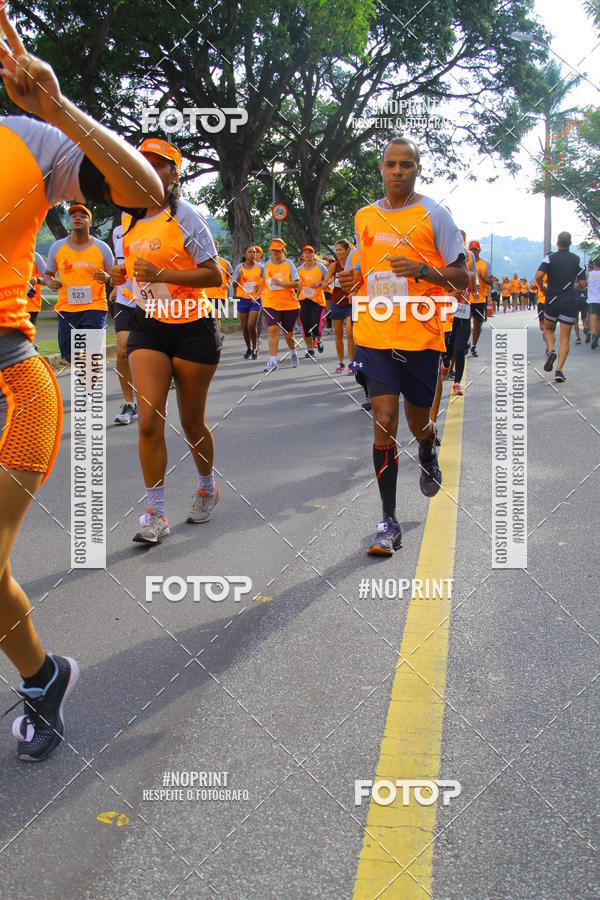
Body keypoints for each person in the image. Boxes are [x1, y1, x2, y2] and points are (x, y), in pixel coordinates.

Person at [0, 7, 163, 761]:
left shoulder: (28, 141)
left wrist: (59, 109)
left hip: (13, 383)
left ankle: (41, 679)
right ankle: (43, 675)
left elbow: (146, 193)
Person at [339, 137, 468, 556]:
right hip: (376, 336)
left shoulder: (435, 214)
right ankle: (388, 520)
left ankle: (428, 448)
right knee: (383, 417)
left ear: (417, 169)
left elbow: (462, 279)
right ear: (381, 168)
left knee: (417, 423)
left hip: (421, 338)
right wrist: (346, 281)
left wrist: (422, 270)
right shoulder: (364, 216)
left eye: (406, 165)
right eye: (391, 164)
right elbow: (362, 272)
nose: (398, 171)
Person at [111, 137, 222, 543]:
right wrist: (120, 278)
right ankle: (156, 514)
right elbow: (130, 271)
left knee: (191, 422)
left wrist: (163, 275)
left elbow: (215, 276)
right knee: (147, 420)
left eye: (160, 165)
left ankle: (207, 486)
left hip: (193, 327)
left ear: (174, 174)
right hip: (149, 326)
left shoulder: (186, 216)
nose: (150, 170)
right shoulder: (125, 221)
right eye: (143, 163)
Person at [45, 204, 114, 364]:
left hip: (94, 307)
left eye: (83, 216)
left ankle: (90, 386)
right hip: (66, 307)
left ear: (90, 222)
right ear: (69, 221)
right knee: (69, 355)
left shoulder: (102, 247)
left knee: (91, 353)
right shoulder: (57, 247)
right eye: (73, 215)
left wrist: (108, 278)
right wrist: (51, 282)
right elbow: (48, 274)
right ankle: (87, 375)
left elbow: (115, 276)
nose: (77, 218)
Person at [537, 231, 587, 382]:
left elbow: (538, 276)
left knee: (548, 329)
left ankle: (551, 350)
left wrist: (544, 289)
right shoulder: (576, 259)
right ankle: (559, 371)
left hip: (552, 299)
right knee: (565, 337)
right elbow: (583, 284)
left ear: (557, 243)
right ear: (570, 244)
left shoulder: (549, 258)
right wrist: (574, 285)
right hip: (569, 301)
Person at [441, 236, 476, 397]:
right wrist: (453, 294)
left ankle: (457, 383)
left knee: (460, 349)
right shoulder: (444, 273)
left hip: (463, 315)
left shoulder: (470, 275)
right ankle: (446, 363)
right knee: (446, 351)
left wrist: (470, 289)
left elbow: (473, 289)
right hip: (446, 316)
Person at [110, 221, 138, 424]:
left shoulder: (154, 223)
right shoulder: (117, 232)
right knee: (122, 350)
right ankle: (130, 404)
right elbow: (119, 263)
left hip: (153, 299)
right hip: (125, 299)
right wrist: (116, 284)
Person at [260, 238, 300, 374]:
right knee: (272, 329)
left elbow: (297, 284)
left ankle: (293, 352)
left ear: (283, 251)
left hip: (289, 303)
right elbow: (264, 282)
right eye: (273, 250)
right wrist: (257, 293)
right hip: (270, 302)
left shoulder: (289, 264)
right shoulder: (267, 265)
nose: (276, 253)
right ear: (270, 251)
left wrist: (281, 283)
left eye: (278, 250)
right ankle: (273, 360)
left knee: (288, 334)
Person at [323, 240, 355, 374]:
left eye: (340, 249)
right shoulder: (333, 266)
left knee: (350, 332)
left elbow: (360, 282)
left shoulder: (353, 265)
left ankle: (352, 363)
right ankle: (341, 362)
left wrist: (354, 290)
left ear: (347, 250)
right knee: (339, 335)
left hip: (350, 303)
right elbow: (324, 286)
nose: (338, 252)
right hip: (337, 302)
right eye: (336, 250)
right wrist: (329, 282)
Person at [233, 245, 263, 359]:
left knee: (251, 325)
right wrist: (238, 277)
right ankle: (249, 348)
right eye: (250, 252)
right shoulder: (239, 267)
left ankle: (255, 348)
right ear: (245, 254)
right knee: (245, 326)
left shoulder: (260, 267)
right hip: (242, 299)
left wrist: (258, 293)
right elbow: (234, 285)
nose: (253, 254)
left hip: (255, 299)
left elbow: (264, 282)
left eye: (254, 252)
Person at [297, 245, 327, 358]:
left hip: (317, 300)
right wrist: (298, 286)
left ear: (313, 255)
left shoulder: (320, 267)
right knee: (305, 325)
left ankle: (318, 340)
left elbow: (328, 279)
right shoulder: (299, 269)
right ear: (303, 255)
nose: (308, 255)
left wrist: (319, 283)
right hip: (304, 300)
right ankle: (310, 349)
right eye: (305, 253)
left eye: (310, 252)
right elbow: (294, 284)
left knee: (315, 325)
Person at [204, 238, 233, 345]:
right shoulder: (204, 261)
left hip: (219, 294)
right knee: (207, 318)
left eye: (216, 247)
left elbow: (231, 274)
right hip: (206, 294)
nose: (214, 248)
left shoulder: (224, 262)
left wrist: (228, 283)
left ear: (218, 248)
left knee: (215, 316)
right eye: (213, 246)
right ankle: (214, 335)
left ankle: (218, 335)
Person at [467, 240, 492, 356]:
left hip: (480, 299)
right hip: (466, 298)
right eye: (472, 249)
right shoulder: (465, 262)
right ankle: (464, 343)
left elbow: (491, 281)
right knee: (464, 324)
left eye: (475, 249)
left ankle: (474, 345)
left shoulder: (485, 264)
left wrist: (482, 277)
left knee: (477, 324)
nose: (473, 251)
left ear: (479, 250)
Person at [26, 251, 46, 326]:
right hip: (9, 305)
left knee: (25, 336)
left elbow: (49, 280)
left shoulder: (35, 256)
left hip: (31, 306)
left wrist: (37, 280)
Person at [587, 259, 600, 350]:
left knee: (593, 318)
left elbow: (583, 284)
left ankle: (594, 333)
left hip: (593, 300)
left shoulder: (589, 274)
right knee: (598, 320)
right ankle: (597, 335)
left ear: (594, 265)